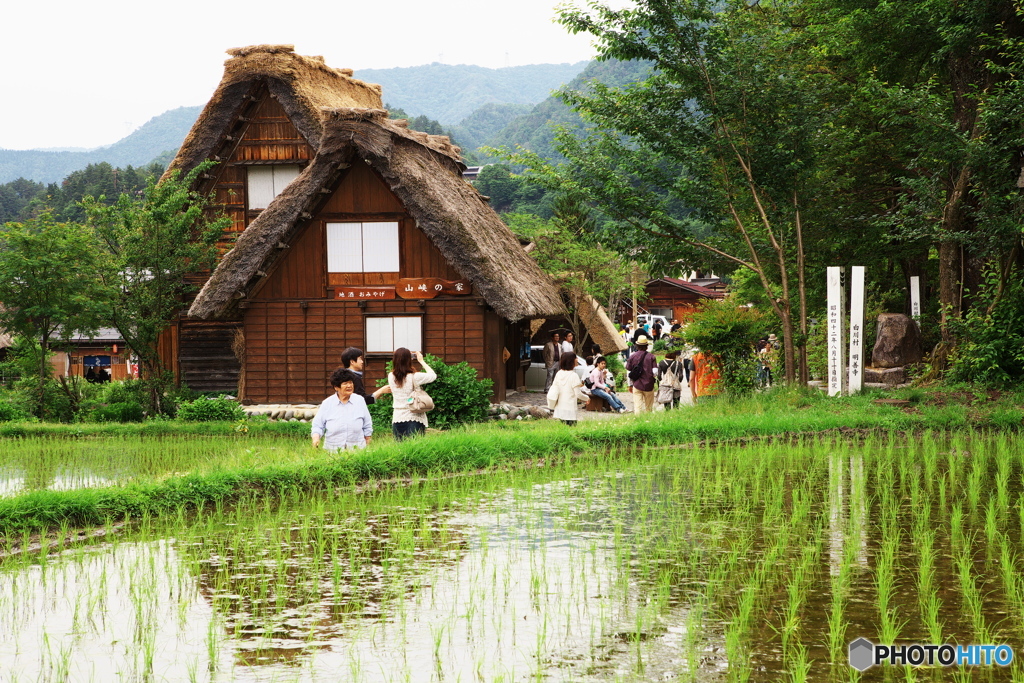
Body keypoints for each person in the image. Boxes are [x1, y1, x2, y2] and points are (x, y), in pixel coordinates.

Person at [311, 368, 373, 451]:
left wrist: (368, 440)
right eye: (345, 383)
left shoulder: (360, 400)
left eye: (351, 382)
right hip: (333, 450)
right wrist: (316, 438)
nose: (349, 386)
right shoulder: (327, 403)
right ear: (336, 387)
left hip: (357, 449)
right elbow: (318, 425)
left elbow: (367, 423)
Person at [388, 348, 437, 441]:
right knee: (415, 449)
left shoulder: (391, 376)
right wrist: (421, 361)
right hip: (414, 416)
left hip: (397, 416)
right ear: (409, 360)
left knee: (400, 449)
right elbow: (433, 375)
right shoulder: (415, 376)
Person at [547, 352, 586, 425]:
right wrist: (587, 398)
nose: (577, 360)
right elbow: (578, 394)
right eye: (576, 358)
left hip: (560, 409)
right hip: (570, 410)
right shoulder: (574, 375)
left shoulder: (559, 373)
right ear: (571, 361)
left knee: (563, 429)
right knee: (572, 429)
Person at [626, 335, 657, 414]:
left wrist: (630, 385)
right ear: (646, 346)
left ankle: (638, 422)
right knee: (649, 408)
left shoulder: (632, 356)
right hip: (649, 385)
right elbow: (655, 372)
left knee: (637, 407)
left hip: (637, 384)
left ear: (637, 346)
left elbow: (629, 371)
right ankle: (648, 422)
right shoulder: (651, 357)